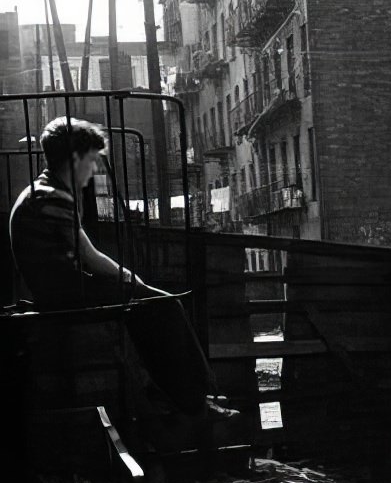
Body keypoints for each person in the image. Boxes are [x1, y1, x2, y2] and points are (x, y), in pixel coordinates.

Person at [8, 115, 232, 435]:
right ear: (74, 160)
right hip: (67, 291)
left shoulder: (41, 191)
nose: (94, 170)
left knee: (149, 308)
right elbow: (90, 257)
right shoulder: (52, 196)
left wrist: (127, 280)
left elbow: (85, 253)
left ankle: (175, 391)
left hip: (60, 288)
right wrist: (130, 278)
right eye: (91, 160)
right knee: (167, 305)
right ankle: (198, 398)